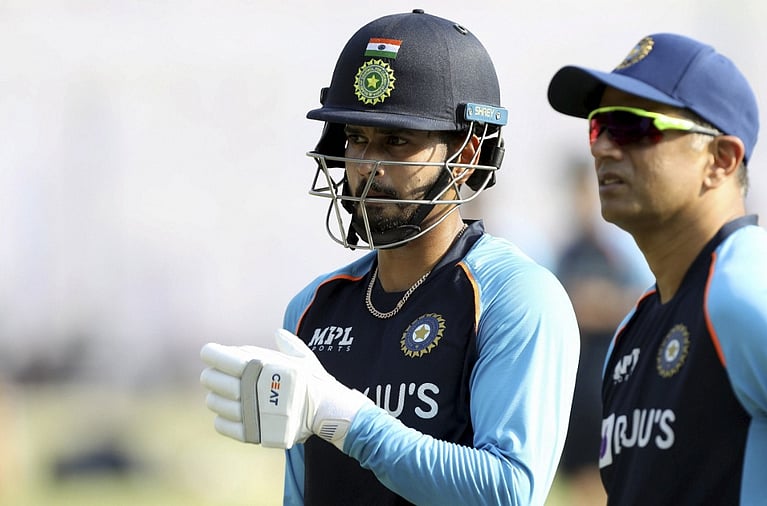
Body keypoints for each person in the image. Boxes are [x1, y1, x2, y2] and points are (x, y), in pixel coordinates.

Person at [199, 10, 580, 505]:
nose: (368, 166)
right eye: (357, 138)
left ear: (465, 154)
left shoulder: (516, 297)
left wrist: (347, 420)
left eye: (397, 141)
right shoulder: (313, 308)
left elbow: (507, 491)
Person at [547, 33, 767, 505]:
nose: (604, 148)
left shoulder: (751, 290)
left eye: (632, 127)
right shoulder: (634, 328)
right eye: (598, 127)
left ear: (721, 160)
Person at [554, 165, 647, 506]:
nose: (581, 204)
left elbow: (648, 301)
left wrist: (600, 304)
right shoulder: (567, 253)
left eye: (586, 195)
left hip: (610, 387)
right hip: (577, 390)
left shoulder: (623, 250)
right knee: (577, 483)